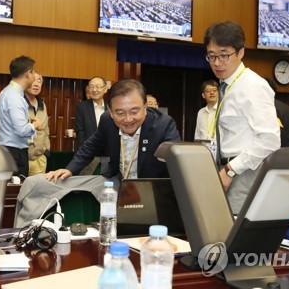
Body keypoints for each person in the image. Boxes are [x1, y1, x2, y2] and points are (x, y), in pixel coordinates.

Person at [14, 79, 181, 227]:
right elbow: (91, 145)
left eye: (135, 111)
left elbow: (177, 164)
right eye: (120, 113)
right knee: (39, 183)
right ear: (110, 110)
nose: (128, 119)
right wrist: (70, 169)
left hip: (151, 189)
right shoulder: (107, 120)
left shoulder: (163, 124)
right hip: (119, 182)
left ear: (145, 106)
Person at [204, 21, 280, 214]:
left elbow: (269, 140)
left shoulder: (253, 86)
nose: (217, 63)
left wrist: (231, 169)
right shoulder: (227, 86)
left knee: (237, 237)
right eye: (211, 56)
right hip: (226, 170)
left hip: (244, 172)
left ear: (241, 52)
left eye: (224, 55)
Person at [0, 55, 45, 178]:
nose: (34, 77)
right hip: (14, 153)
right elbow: (21, 130)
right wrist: (35, 125)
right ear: (28, 74)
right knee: (15, 193)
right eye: (33, 72)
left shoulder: (7, 92)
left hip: (9, 151)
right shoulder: (15, 97)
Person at [74, 76, 108, 175]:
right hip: (89, 153)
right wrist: (84, 152)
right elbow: (80, 131)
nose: (94, 90)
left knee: (107, 181)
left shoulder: (111, 106)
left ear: (105, 89)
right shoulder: (82, 107)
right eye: (91, 87)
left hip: (108, 153)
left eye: (98, 87)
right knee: (84, 181)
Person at [25, 72, 51, 175]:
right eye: (33, 80)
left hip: (40, 158)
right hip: (21, 158)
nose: (36, 84)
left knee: (38, 190)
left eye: (39, 81)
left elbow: (46, 130)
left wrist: (46, 150)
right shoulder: (18, 103)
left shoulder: (42, 105)